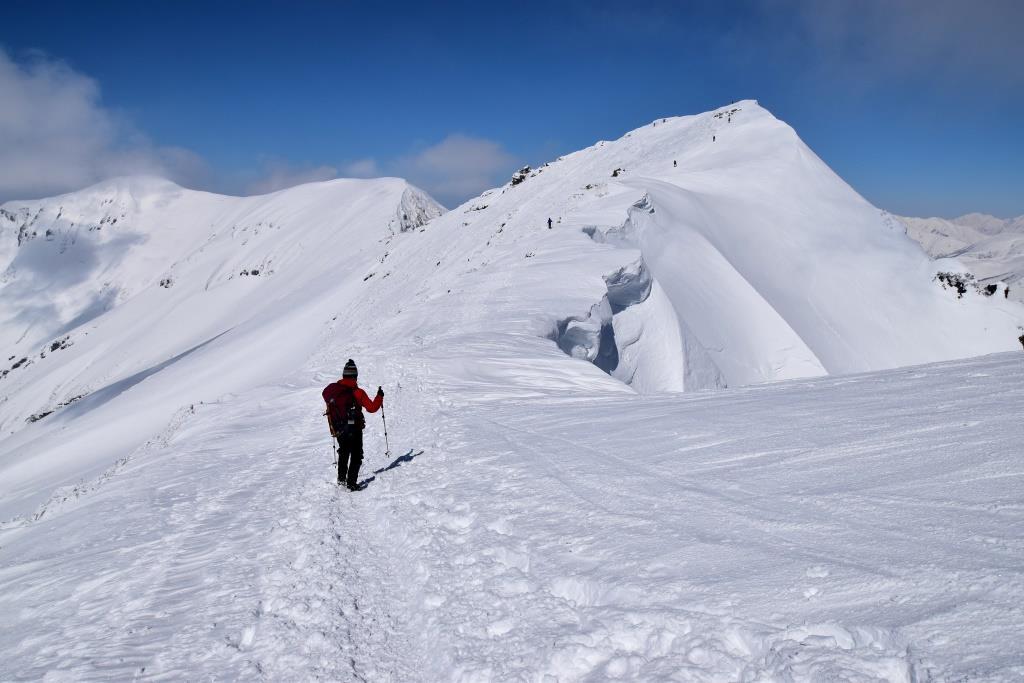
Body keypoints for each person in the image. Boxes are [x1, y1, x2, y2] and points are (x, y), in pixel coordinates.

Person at [323, 359, 383, 490]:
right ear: (355, 376)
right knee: (356, 454)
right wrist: (380, 397)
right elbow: (372, 408)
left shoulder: (335, 390)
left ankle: (341, 480)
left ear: (344, 375)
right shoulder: (358, 392)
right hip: (354, 427)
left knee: (344, 452)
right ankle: (351, 482)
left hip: (339, 427)